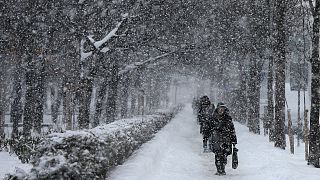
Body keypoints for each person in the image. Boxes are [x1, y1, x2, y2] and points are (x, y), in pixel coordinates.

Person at [209, 103, 237, 175]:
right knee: (217, 155)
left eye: (223, 109)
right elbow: (209, 129)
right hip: (216, 140)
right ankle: (219, 169)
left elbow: (232, 130)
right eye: (220, 109)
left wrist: (234, 140)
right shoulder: (213, 118)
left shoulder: (228, 119)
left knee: (224, 155)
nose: (221, 111)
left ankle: (223, 168)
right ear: (217, 109)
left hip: (226, 140)